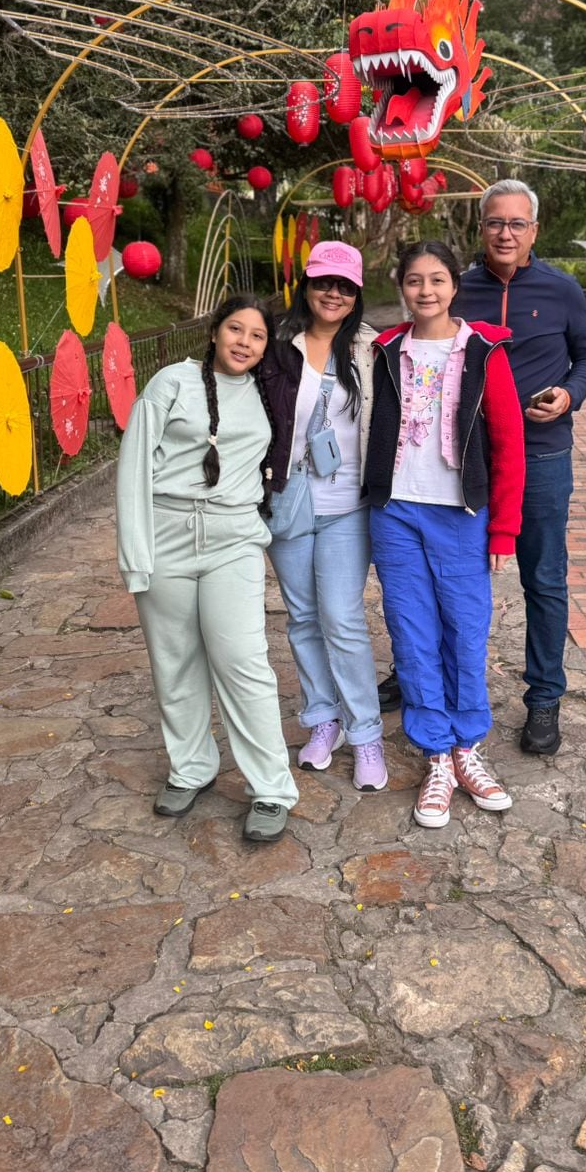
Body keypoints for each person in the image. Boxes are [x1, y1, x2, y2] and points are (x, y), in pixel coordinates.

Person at [116, 293, 298, 844]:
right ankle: (191, 766)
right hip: (167, 532)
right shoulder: (172, 382)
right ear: (215, 331)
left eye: (257, 335)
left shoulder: (270, 392)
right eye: (235, 329)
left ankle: (270, 787)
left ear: (267, 345)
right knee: (174, 661)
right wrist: (136, 554)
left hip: (233, 537)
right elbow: (134, 466)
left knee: (242, 661)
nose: (244, 342)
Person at [366, 239, 525, 828]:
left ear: (454, 286)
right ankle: (436, 753)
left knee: (466, 628)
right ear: (401, 287)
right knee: (410, 632)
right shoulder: (385, 349)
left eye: (436, 280)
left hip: (462, 514)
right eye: (413, 281)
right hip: (397, 511)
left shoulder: (483, 351)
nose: (425, 291)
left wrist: (504, 529)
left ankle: (467, 747)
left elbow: (510, 446)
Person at [445, 179, 586, 755]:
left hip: (542, 454)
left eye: (516, 223)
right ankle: (439, 682)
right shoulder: (457, 290)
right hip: (467, 456)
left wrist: (569, 395)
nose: (504, 233)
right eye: (494, 222)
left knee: (542, 577)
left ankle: (543, 698)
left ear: (534, 230)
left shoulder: (561, 289)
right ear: (480, 228)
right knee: (452, 576)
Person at [260, 241, 387, 791]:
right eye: (323, 282)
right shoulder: (275, 343)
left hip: (346, 509)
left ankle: (366, 734)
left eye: (344, 286)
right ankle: (322, 720)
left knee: (342, 618)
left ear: (356, 293)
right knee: (303, 619)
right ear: (306, 285)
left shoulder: (372, 349)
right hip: (289, 502)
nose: (332, 293)